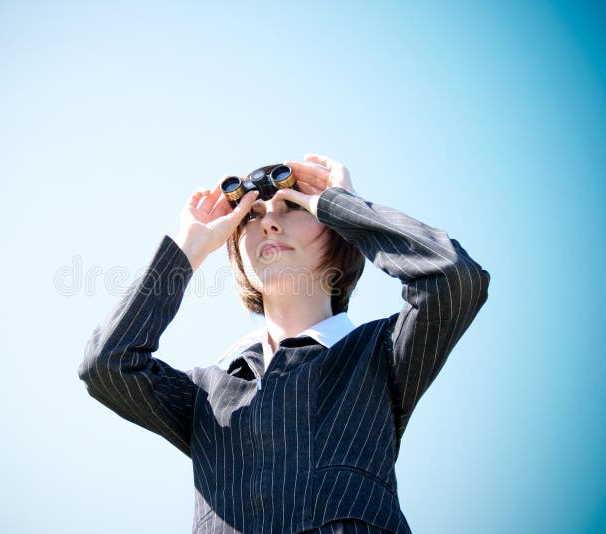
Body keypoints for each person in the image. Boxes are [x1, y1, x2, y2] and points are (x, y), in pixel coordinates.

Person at [79, 154, 490, 533]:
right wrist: (189, 248)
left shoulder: (379, 355)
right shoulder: (206, 394)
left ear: (340, 234)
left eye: (293, 207)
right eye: (252, 215)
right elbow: (106, 365)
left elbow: (454, 279)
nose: (269, 223)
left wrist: (340, 204)